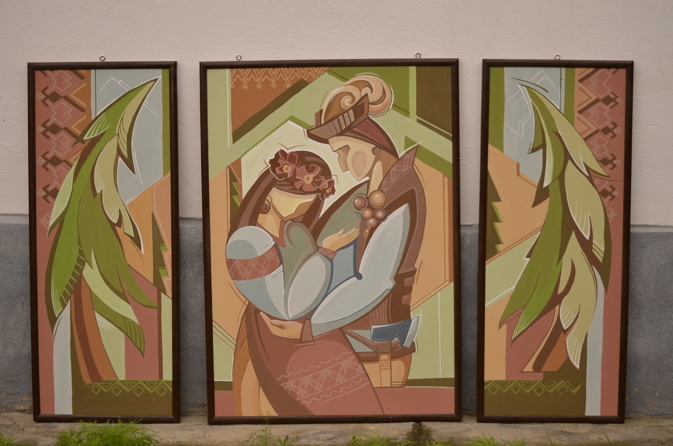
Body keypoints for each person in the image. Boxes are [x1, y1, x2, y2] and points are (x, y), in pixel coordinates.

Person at [228, 147, 411, 416]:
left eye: (314, 197)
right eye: (299, 195)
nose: (307, 203)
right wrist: (326, 251)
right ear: (269, 191)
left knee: (353, 401)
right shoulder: (247, 242)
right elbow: (288, 307)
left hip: (312, 327)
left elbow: (318, 288)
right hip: (274, 330)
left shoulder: (297, 232)